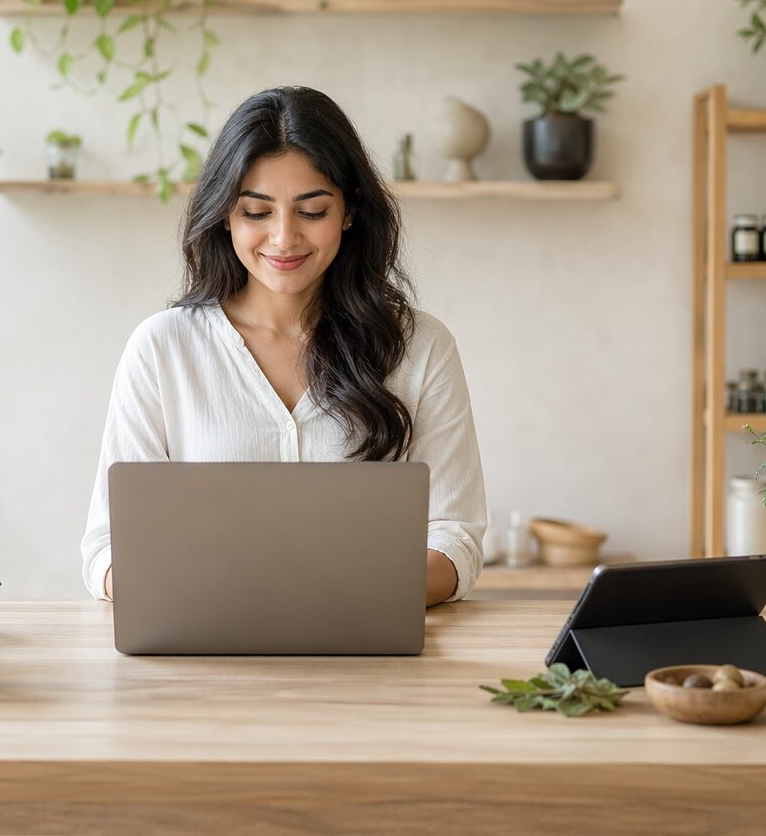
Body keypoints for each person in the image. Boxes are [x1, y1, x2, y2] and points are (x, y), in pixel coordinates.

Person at [79, 86, 487, 607]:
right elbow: (106, 548)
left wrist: (331, 595)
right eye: (256, 213)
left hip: (371, 665)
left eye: (312, 211)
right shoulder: (161, 349)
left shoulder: (421, 347)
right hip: (202, 659)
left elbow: (455, 538)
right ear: (225, 215)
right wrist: (201, 591)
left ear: (349, 212)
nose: (283, 238)